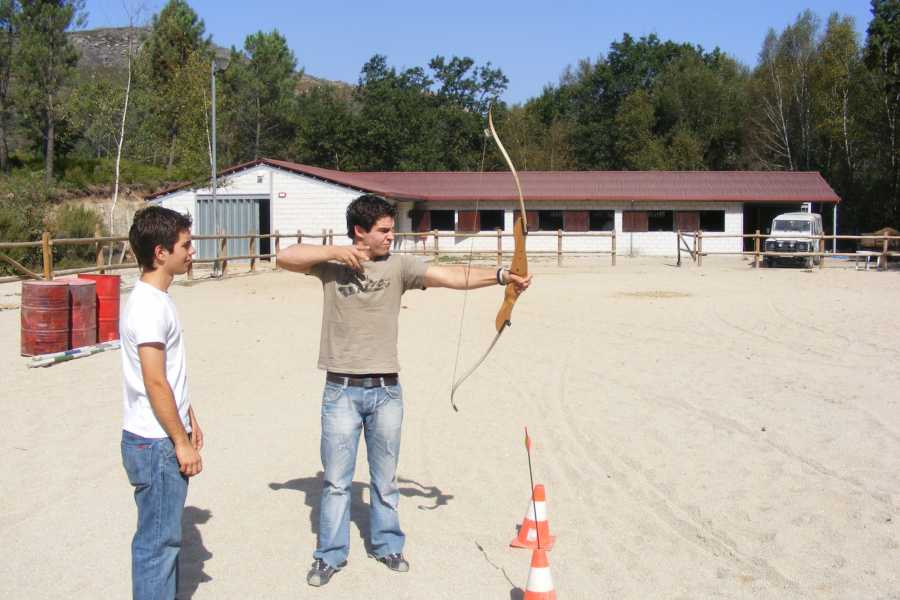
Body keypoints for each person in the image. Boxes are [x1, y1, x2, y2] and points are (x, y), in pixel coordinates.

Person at [276, 194, 532, 587]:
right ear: (360, 231)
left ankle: (387, 545)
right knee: (337, 482)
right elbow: (284, 256)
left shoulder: (400, 266)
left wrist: (502, 276)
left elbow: (450, 276)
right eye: (383, 230)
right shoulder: (331, 265)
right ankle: (330, 555)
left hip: (386, 391)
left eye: (391, 229)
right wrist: (337, 252)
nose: (390, 236)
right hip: (341, 390)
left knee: (385, 479)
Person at [120, 205, 204, 600]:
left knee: (164, 541)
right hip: (155, 443)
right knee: (157, 545)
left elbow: (168, 375)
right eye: (185, 245)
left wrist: (190, 417)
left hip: (161, 434)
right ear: (160, 252)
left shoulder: (157, 298)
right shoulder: (149, 306)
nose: (191, 251)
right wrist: (180, 441)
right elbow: (154, 380)